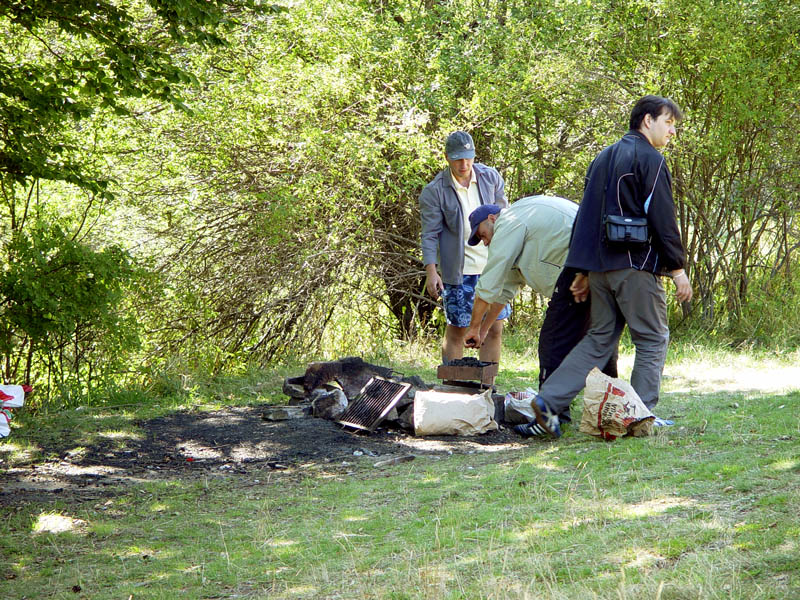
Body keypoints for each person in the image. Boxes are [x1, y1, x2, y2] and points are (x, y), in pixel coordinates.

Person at [515, 95, 693, 438]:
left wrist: (583, 269)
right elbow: (663, 218)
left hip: (599, 269)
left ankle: (548, 401)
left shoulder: (603, 157)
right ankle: (639, 415)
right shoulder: (651, 159)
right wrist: (677, 269)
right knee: (652, 337)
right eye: (669, 122)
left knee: (599, 339)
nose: (673, 131)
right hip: (636, 267)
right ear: (647, 121)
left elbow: (585, 218)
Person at [462, 195, 617, 423]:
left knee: (553, 342)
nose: (485, 243)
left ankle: (552, 416)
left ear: (492, 218)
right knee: (599, 338)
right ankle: (614, 408)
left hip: (579, 268)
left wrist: (473, 327)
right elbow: (504, 291)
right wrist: (483, 331)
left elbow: (488, 285)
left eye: (482, 235)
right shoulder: (521, 222)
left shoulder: (509, 222)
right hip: (601, 264)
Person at [419, 131, 509, 364]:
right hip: (460, 271)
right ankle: (452, 383)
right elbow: (430, 234)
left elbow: (506, 218)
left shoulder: (490, 177)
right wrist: (431, 271)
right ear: (447, 157)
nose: (464, 164)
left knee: (493, 329)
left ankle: (488, 384)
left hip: (493, 266)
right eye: (458, 159)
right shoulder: (435, 190)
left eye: (468, 158)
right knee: (458, 330)